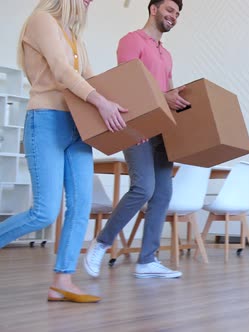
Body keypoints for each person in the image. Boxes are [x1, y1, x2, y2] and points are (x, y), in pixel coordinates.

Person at [0, 0, 128, 303]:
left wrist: (127, 123)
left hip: (78, 126)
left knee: (81, 206)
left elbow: (91, 80)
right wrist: (100, 102)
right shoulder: (42, 20)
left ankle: (62, 280)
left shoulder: (74, 36)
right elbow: (61, 71)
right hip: (46, 121)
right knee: (44, 211)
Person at [84, 0, 190, 279]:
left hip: (162, 131)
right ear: (153, 9)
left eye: (177, 14)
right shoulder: (132, 41)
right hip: (136, 127)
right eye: (169, 10)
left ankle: (147, 260)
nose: (173, 17)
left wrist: (177, 98)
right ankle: (102, 242)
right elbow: (129, 84)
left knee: (163, 193)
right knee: (143, 188)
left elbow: (165, 92)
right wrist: (154, 106)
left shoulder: (166, 55)